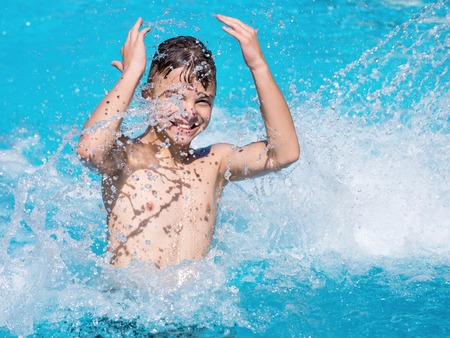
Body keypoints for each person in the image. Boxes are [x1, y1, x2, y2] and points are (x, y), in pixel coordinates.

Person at [77, 14, 300, 269]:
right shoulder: (128, 158)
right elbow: (89, 150)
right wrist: (131, 75)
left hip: (194, 306)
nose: (189, 112)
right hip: (127, 304)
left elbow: (284, 154)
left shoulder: (214, 163)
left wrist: (258, 66)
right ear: (148, 96)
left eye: (202, 101)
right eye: (174, 98)